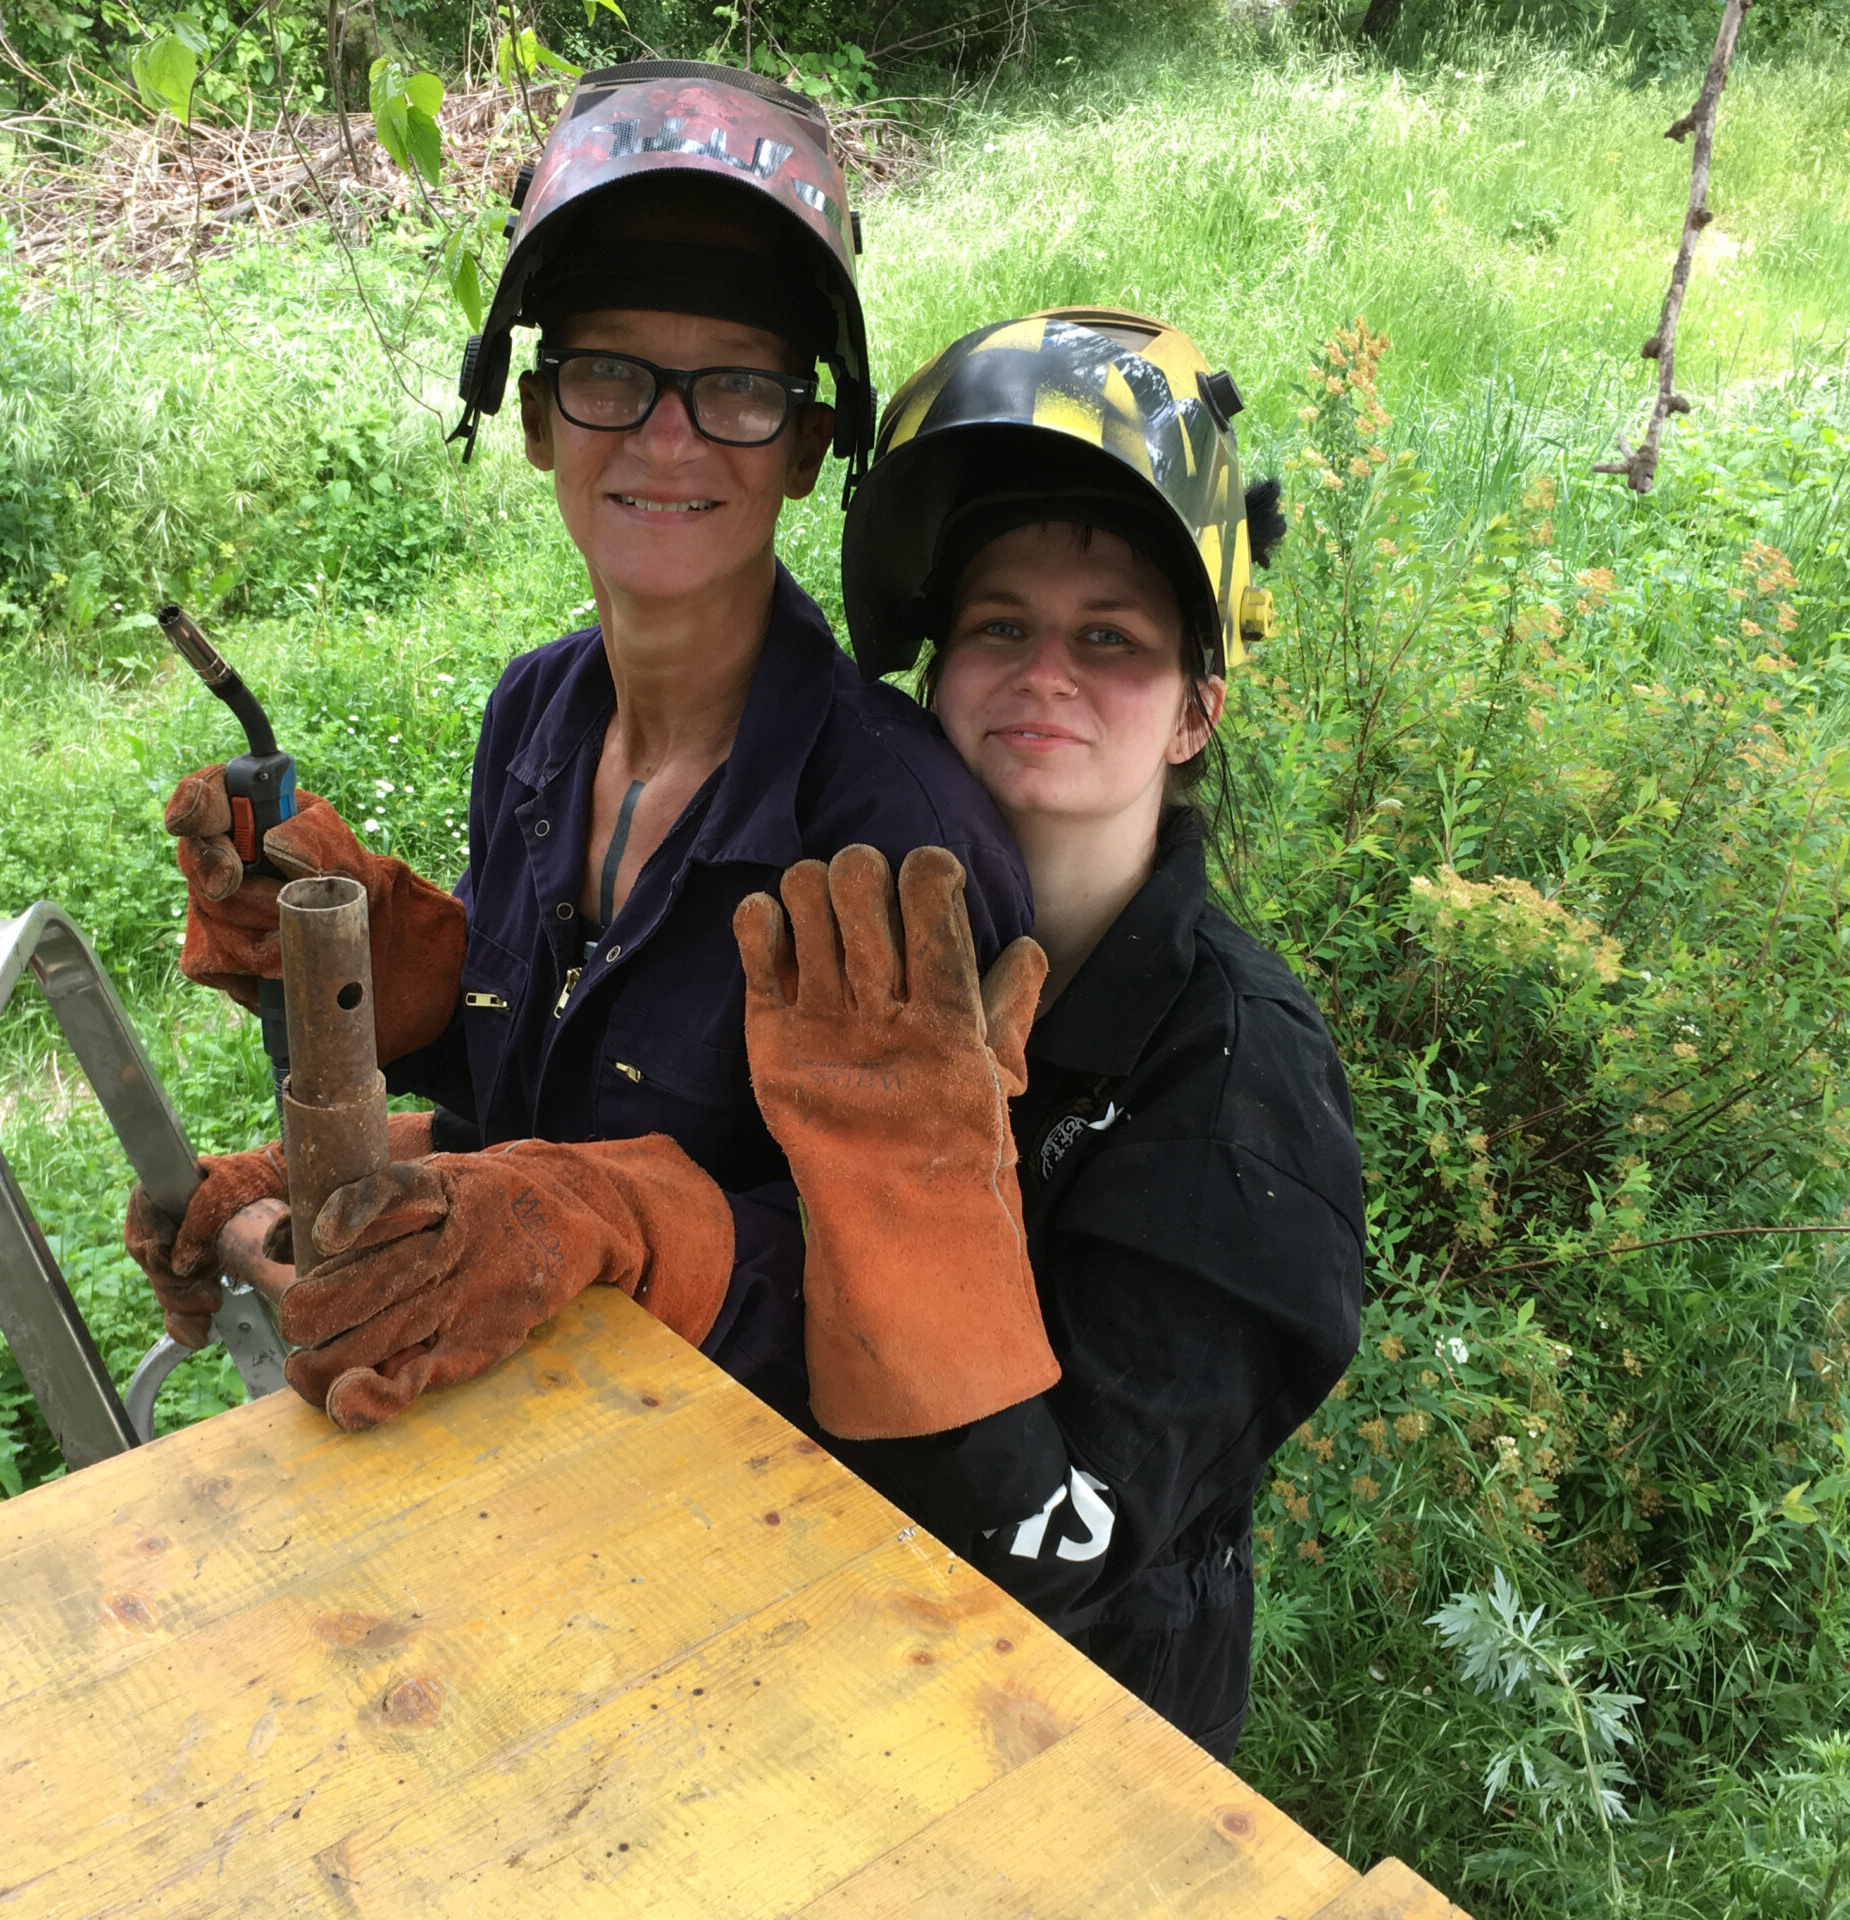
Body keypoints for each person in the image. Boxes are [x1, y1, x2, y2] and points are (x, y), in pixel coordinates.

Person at [125, 62, 1032, 1431]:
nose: (669, 441)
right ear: (538, 418)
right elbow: (529, 1114)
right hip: (516, 1434)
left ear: (807, 445)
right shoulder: (537, 721)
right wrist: (351, 1154)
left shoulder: (890, 835)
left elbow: (935, 1326)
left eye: (736, 388)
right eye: (612, 376)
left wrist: (623, 1222)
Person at [733, 308, 1365, 1759]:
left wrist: (915, 1198)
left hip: (1077, 1750)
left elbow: (1060, 1549)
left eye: (1113, 641)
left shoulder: (1234, 1082)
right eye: (999, 626)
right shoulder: (861, 948)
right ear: (936, 673)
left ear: (1197, 712)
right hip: (811, 1654)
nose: (1046, 671)